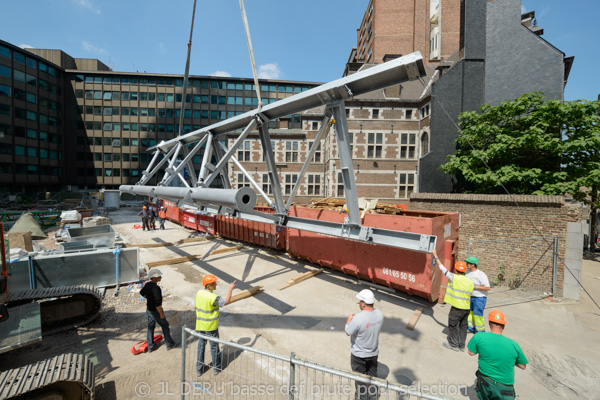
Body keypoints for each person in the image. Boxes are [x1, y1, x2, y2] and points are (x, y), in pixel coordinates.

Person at [468, 310, 528, 399]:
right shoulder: (514, 345)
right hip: (504, 389)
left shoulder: (479, 337)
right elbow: (523, 366)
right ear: (503, 326)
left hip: (485, 382)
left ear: (489, 323)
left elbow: (471, 352)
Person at [345, 289, 384, 400]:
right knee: (373, 378)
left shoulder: (358, 318)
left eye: (359, 302)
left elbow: (348, 332)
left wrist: (349, 320)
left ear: (363, 304)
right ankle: (373, 397)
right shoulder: (379, 315)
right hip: (373, 353)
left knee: (360, 382)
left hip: (359, 356)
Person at [432, 249, 474, 352]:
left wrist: (435, 255)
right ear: (464, 271)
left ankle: (453, 344)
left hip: (457, 308)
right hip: (466, 308)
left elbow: (442, 268)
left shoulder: (453, 277)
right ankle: (461, 345)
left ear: (456, 270)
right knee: (463, 326)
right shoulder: (470, 281)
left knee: (453, 325)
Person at [195, 274, 236, 376]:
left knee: (201, 346)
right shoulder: (213, 297)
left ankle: (199, 370)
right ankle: (216, 368)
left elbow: (196, 307)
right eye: (214, 283)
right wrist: (230, 289)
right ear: (208, 286)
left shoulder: (199, 293)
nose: (216, 284)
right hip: (210, 326)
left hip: (200, 325)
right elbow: (226, 301)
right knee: (214, 347)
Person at [139, 268, 178, 352]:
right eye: (158, 276)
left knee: (150, 327)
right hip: (155, 311)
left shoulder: (147, 285)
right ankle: (169, 344)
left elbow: (141, 292)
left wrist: (149, 298)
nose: (160, 277)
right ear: (154, 278)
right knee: (165, 325)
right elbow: (157, 304)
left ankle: (151, 346)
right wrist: (161, 314)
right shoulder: (156, 288)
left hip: (149, 310)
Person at [465, 256, 490, 333]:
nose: (466, 264)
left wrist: (474, 287)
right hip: (470, 297)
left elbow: (487, 287)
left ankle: (480, 331)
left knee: (477, 315)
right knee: (470, 314)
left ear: (473, 265)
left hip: (479, 298)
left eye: (468, 263)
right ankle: (471, 328)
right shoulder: (467, 273)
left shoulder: (480, 274)